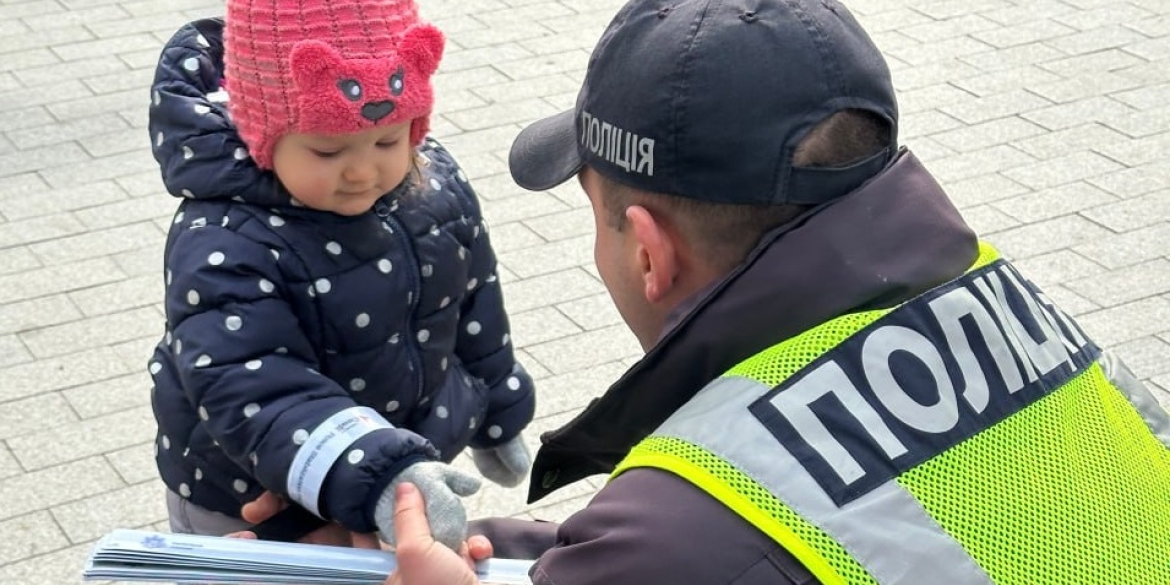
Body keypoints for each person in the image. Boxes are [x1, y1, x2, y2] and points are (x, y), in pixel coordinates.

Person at [244, 0, 1170, 583]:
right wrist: (455, 534)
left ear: (648, 250)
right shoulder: (1000, 301)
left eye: (595, 214)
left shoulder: (698, 518)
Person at [144, 0, 538, 551]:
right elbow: (249, 377)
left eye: (388, 141)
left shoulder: (434, 187)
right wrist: (375, 470)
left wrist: (497, 406)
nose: (362, 170)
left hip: (394, 480)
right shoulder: (226, 236)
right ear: (261, 134)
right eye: (327, 150)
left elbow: (473, 302)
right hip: (249, 498)